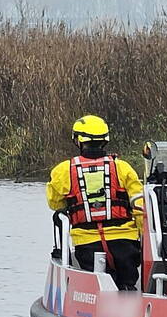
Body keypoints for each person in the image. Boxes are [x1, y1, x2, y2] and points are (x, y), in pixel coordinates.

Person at [46, 115, 143, 290]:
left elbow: (55, 203)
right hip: (125, 244)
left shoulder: (63, 171)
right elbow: (139, 204)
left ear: (78, 140)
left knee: (95, 287)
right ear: (104, 140)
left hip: (86, 244)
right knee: (128, 284)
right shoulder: (122, 168)